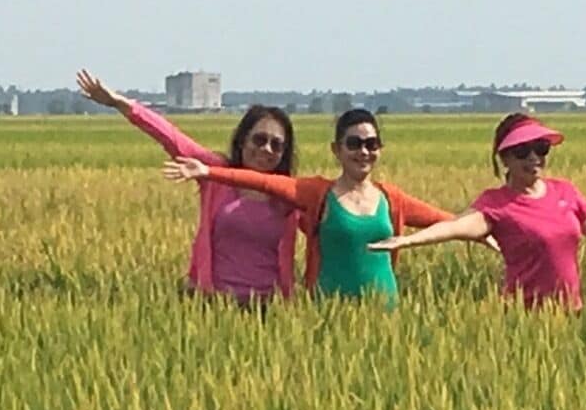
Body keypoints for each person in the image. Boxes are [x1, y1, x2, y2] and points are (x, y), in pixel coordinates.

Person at [366, 113, 586, 307]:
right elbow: (456, 227)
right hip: (525, 319)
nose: (533, 158)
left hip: (572, 314)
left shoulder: (566, 192)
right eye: (522, 151)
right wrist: (407, 241)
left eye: (540, 149)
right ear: (504, 158)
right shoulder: (496, 204)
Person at [161, 108, 451, 303]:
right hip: (326, 311)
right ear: (336, 150)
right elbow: (262, 182)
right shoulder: (313, 193)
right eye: (353, 143)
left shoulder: (390, 198)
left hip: (384, 311)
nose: (363, 151)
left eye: (371, 144)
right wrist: (210, 172)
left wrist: (483, 229)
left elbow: (441, 220)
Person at [76, 70, 301, 303]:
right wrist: (121, 104)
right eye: (259, 139)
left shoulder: (290, 195)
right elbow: (172, 138)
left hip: (271, 308)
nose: (266, 149)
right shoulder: (215, 173)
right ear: (243, 139)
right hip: (210, 302)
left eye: (276, 145)